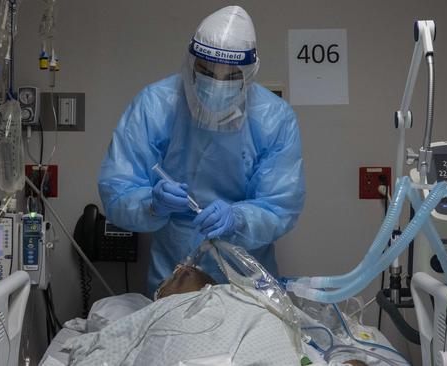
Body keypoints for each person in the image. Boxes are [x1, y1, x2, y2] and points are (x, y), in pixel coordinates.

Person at [98, 5, 306, 294]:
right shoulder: (155, 106)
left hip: (248, 278)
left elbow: (280, 206)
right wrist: (151, 203)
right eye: (206, 73)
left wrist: (238, 219)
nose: (217, 85)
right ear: (190, 61)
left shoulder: (274, 119)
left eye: (231, 77)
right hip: (174, 276)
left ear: (249, 72)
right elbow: (117, 190)